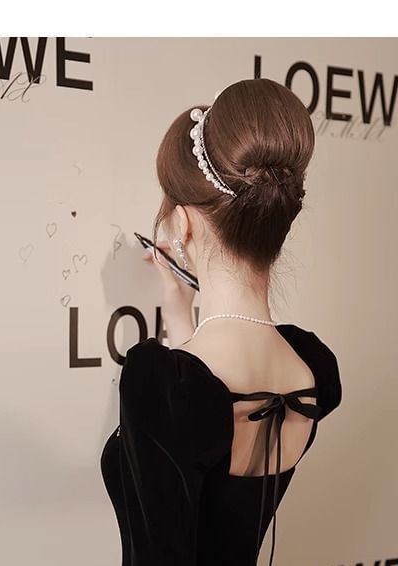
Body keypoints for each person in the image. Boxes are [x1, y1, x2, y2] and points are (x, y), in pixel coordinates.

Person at [100, 78, 343, 566]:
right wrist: (178, 311)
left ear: (182, 223)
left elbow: (190, 421)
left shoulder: (164, 384)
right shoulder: (310, 369)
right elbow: (201, 435)